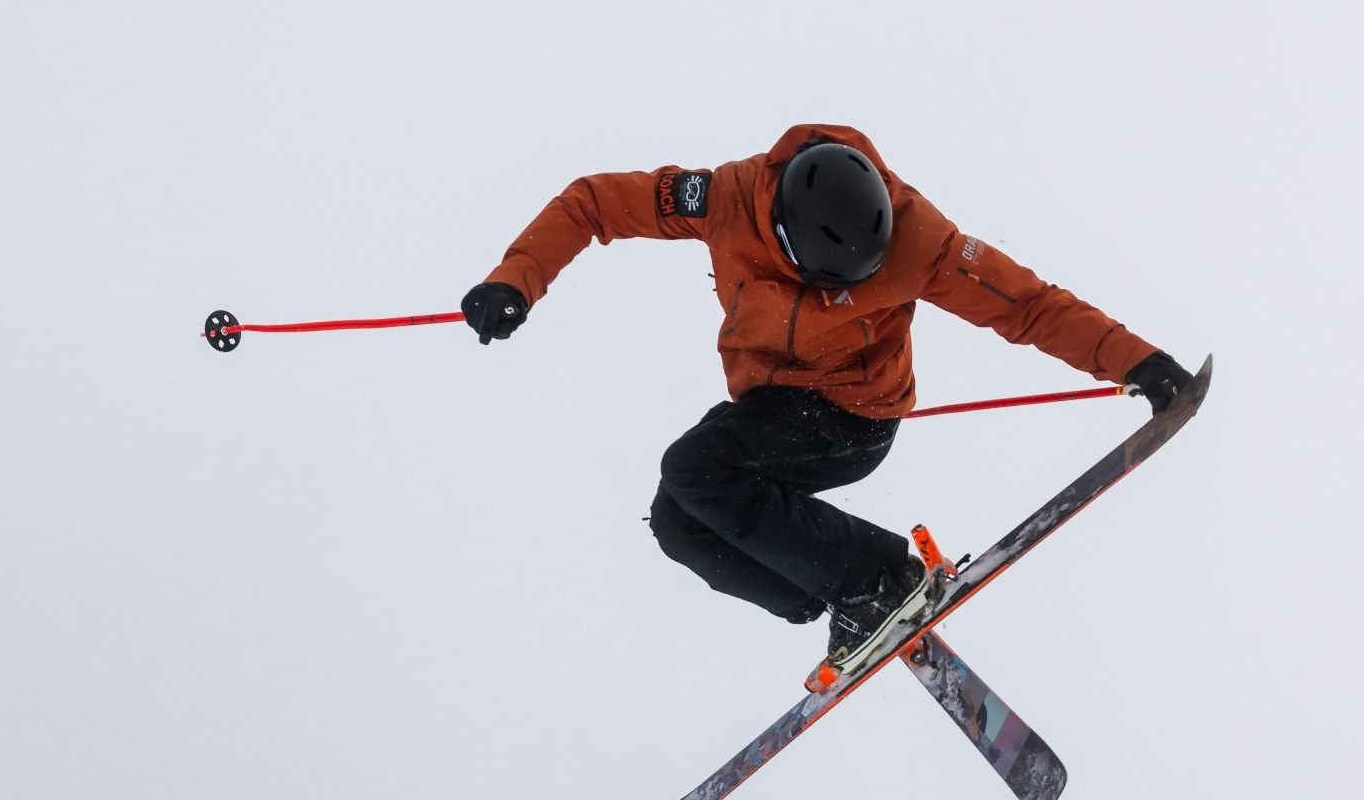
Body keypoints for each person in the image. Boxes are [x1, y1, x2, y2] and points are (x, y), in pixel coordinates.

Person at [462, 124, 1193, 672]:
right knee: (678, 524)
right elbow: (595, 203)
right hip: (769, 408)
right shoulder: (724, 199)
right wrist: (514, 279)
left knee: (696, 469)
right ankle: (838, 600)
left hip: (853, 416)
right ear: (780, 231)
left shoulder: (925, 242)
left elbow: (1027, 306)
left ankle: (881, 578)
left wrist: (1141, 363)